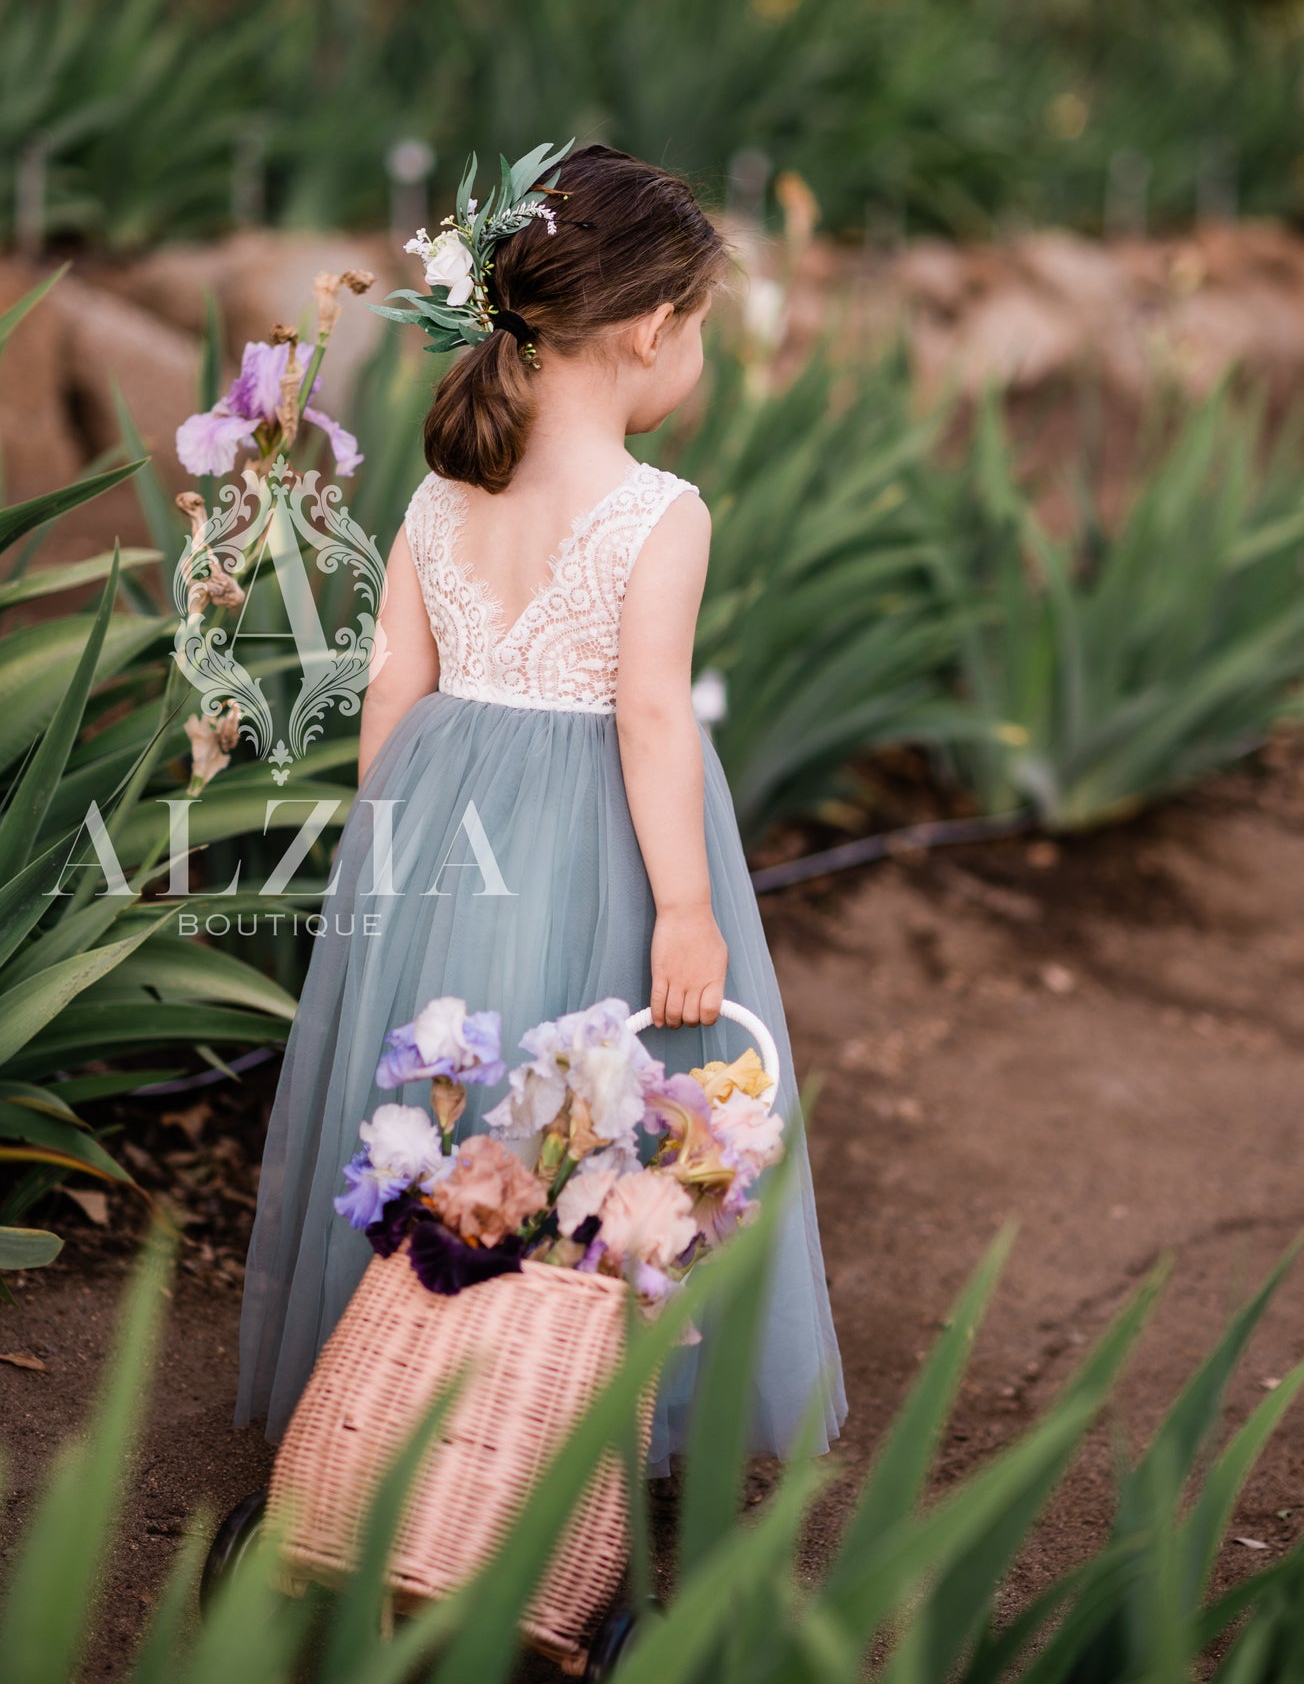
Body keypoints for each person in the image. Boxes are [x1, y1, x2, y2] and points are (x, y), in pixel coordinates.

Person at [236, 141, 846, 1472]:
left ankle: (400, 1400)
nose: (699, 357)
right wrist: (683, 906)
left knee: (450, 1107)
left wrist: (389, 853)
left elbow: (390, 694)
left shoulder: (439, 492)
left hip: (439, 822)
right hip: (593, 840)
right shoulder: (653, 511)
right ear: (648, 330)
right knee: (581, 1111)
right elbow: (646, 718)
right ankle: (548, 1420)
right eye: (700, 329)